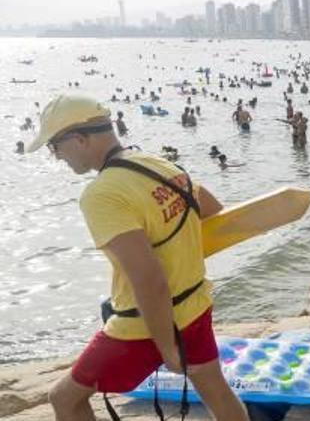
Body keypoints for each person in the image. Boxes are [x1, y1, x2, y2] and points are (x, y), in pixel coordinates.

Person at [27, 95, 247, 420]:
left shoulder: (101, 194)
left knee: (64, 398)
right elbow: (213, 212)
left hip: (143, 324)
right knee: (214, 388)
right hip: (195, 304)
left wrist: (167, 348)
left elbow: (148, 279)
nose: (56, 156)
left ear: (79, 138)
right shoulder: (159, 164)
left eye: (54, 146)